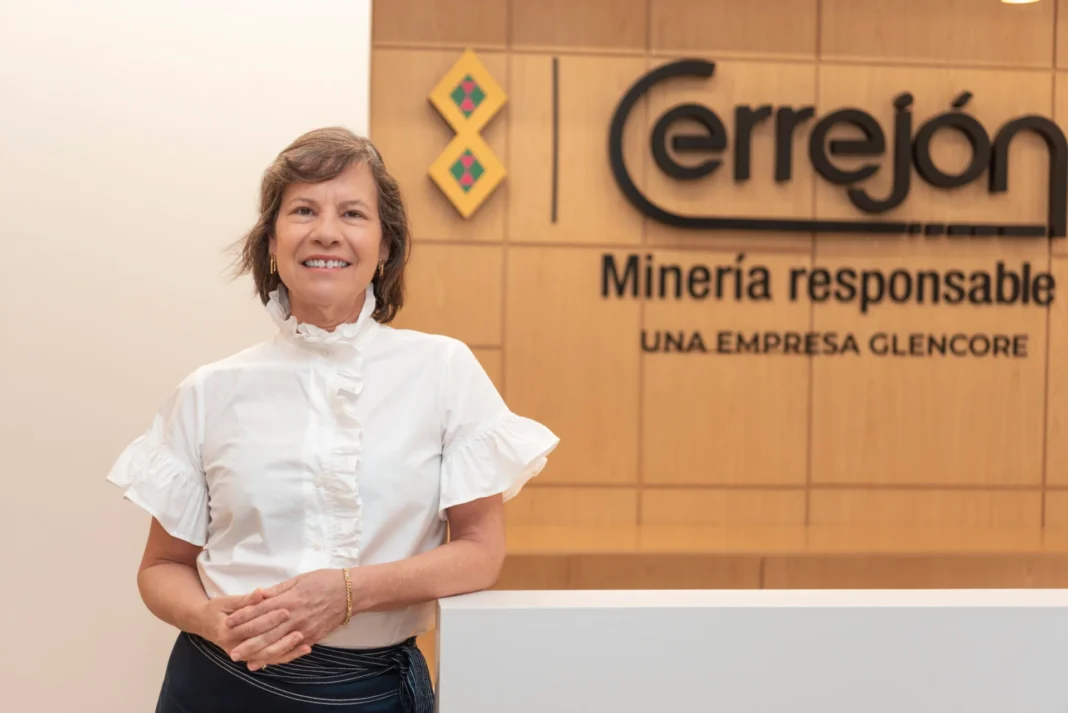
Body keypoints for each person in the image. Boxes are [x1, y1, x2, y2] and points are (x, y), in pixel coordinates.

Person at [106, 126, 560, 713]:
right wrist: (208, 618)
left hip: (368, 691)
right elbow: (163, 566)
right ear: (272, 242)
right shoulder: (208, 391)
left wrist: (345, 593)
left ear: (385, 245)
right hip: (217, 682)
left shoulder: (443, 369)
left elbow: (480, 551)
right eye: (302, 210)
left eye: (352, 213)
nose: (326, 232)